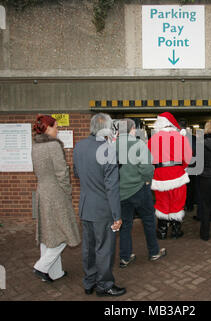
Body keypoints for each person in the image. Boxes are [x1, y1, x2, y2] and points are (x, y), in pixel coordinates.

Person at [73, 113, 126, 297]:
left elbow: (77, 174)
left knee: (88, 248)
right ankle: (104, 285)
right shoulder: (108, 150)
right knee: (104, 248)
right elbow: (112, 187)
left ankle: (89, 282)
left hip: (86, 206)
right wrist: (117, 215)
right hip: (103, 209)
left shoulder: (79, 146)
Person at [32, 114, 80, 283]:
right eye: (55, 127)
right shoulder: (53, 146)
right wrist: (67, 192)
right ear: (47, 128)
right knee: (65, 233)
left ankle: (55, 272)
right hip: (56, 193)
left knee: (48, 233)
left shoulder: (35, 146)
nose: (57, 130)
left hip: (42, 191)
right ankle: (41, 267)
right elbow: (62, 172)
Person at [116, 119, 166, 268]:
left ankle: (125, 256)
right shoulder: (138, 145)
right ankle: (153, 252)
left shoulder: (111, 146)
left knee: (125, 225)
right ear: (132, 129)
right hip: (139, 190)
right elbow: (147, 168)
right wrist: (146, 181)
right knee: (149, 221)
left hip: (121, 192)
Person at [147, 112, 192, 239]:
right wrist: (179, 167)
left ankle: (162, 231)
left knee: (162, 202)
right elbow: (188, 158)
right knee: (178, 201)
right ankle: (176, 231)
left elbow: (147, 159)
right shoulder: (181, 137)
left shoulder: (153, 139)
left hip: (160, 175)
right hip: (177, 174)